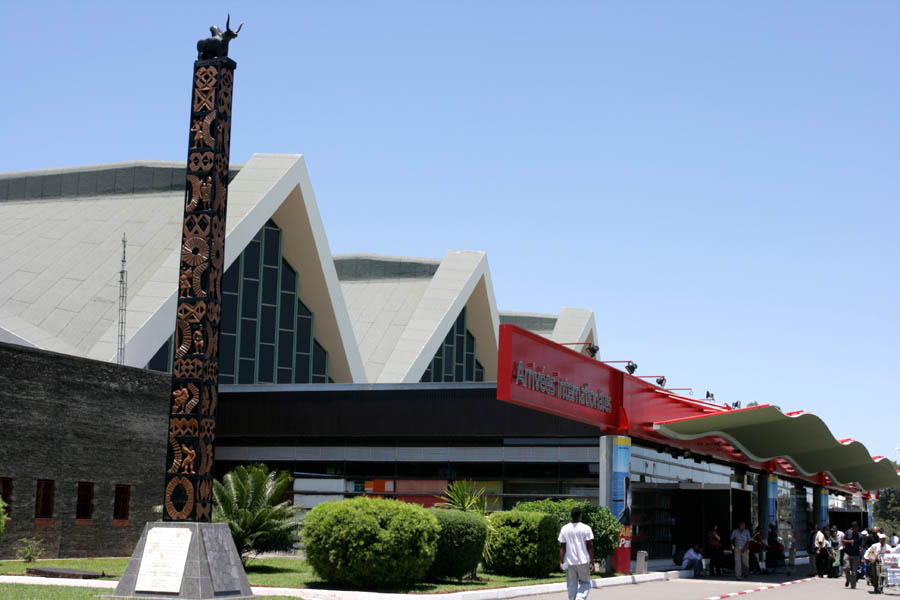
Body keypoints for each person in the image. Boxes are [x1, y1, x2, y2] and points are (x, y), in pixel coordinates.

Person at [559, 506, 595, 600]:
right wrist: (592, 562)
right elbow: (590, 546)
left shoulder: (564, 528)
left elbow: (562, 547)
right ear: (580, 516)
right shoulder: (586, 528)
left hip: (569, 561)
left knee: (571, 584)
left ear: (571, 516)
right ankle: (580, 598)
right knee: (585, 582)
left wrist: (561, 562)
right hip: (583, 560)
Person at [843, 521, 862, 589]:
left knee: (854, 572)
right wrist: (849, 541)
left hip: (855, 555)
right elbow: (843, 540)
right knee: (846, 567)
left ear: (858, 528)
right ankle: (848, 579)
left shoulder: (860, 536)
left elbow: (861, 547)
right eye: (854, 528)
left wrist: (861, 557)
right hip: (847, 553)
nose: (855, 529)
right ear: (852, 528)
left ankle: (853, 585)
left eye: (856, 528)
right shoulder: (848, 532)